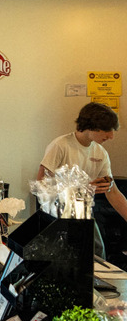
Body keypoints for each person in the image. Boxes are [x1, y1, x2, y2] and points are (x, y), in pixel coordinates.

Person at [37, 102, 127, 258]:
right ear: (91, 126)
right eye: (106, 130)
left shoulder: (100, 152)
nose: (111, 136)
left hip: (82, 213)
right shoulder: (60, 145)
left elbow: (112, 192)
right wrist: (80, 189)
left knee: (97, 254)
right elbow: (41, 185)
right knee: (71, 257)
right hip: (56, 214)